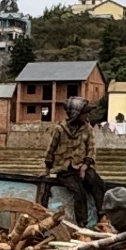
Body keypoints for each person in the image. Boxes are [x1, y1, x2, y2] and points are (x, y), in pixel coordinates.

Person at [45, 97, 105, 227]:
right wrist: (47, 170)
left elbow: (91, 149)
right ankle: (82, 223)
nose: (87, 116)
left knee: (97, 183)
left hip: (82, 166)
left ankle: (102, 216)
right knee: (79, 192)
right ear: (76, 114)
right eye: (85, 113)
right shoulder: (59, 129)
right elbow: (50, 150)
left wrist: (85, 166)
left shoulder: (87, 128)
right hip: (65, 170)